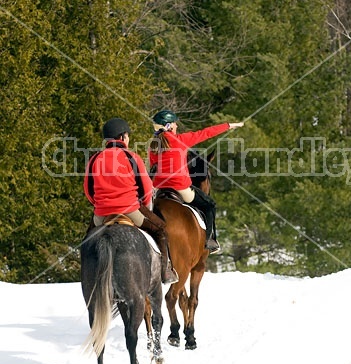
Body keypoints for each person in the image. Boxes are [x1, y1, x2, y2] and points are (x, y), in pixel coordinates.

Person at [83, 117, 178, 284]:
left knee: (87, 242)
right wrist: (145, 205)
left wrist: (99, 204)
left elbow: (88, 189)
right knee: (161, 230)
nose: (128, 139)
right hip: (130, 210)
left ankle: (87, 276)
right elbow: (146, 188)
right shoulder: (131, 157)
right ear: (121, 137)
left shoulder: (94, 159)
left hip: (102, 213)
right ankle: (165, 272)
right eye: (127, 136)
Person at [148, 110, 244, 254]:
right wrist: (228, 125)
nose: (176, 126)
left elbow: (153, 167)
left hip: (159, 189)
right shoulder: (181, 139)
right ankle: (209, 240)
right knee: (210, 205)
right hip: (180, 188)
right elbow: (206, 133)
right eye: (174, 123)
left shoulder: (153, 146)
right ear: (168, 126)